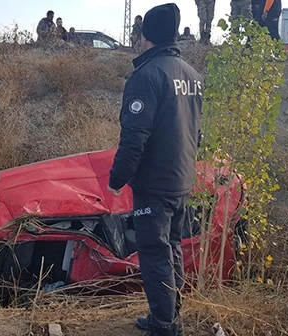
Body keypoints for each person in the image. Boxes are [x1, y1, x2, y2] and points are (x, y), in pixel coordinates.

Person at [107, 3, 203, 336]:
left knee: (154, 252)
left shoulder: (146, 76)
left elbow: (134, 138)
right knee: (172, 247)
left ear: (145, 34)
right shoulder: (190, 75)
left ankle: (165, 324)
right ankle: (168, 314)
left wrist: (117, 179)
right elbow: (196, 132)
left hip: (156, 183)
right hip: (181, 178)